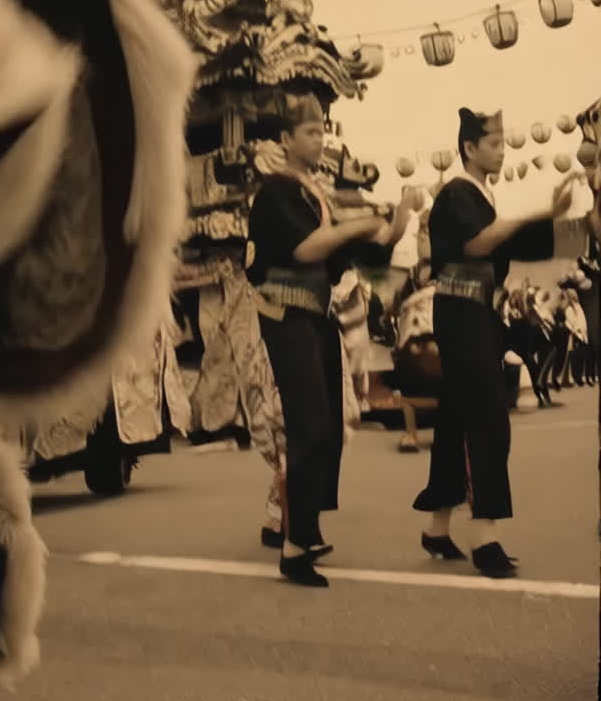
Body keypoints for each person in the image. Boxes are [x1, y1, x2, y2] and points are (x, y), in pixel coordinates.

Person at [246, 94, 411, 587]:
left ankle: (305, 529)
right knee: (309, 425)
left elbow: (349, 256)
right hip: (284, 311)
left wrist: (394, 225)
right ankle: (293, 547)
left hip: (315, 314)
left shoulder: (315, 194)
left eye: (322, 131)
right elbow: (306, 248)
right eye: (310, 132)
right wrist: (359, 223)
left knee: (327, 426)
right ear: (286, 139)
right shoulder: (277, 191)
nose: (320, 140)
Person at [412, 107, 576, 578]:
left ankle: (437, 528)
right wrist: (542, 211)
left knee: (456, 417)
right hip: (461, 312)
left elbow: (513, 243)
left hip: (476, 312)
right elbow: (479, 245)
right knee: (486, 418)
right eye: (494, 144)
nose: (502, 151)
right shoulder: (456, 194)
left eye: (504, 143)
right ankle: (485, 536)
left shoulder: (481, 196)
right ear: (469, 148)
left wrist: (566, 222)